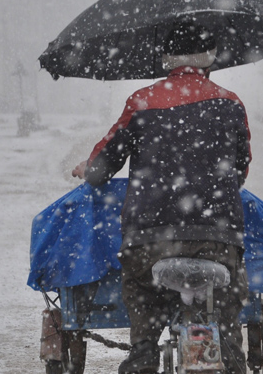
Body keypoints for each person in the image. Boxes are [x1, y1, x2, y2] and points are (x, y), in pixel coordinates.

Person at [72, 21, 252, 374]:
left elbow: (101, 169)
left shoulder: (141, 102)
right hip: (218, 239)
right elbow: (241, 171)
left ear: (166, 59)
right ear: (210, 58)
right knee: (229, 289)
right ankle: (229, 350)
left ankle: (142, 352)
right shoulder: (231, 103)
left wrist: (87, 168)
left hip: (149, 241)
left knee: (142, 287)